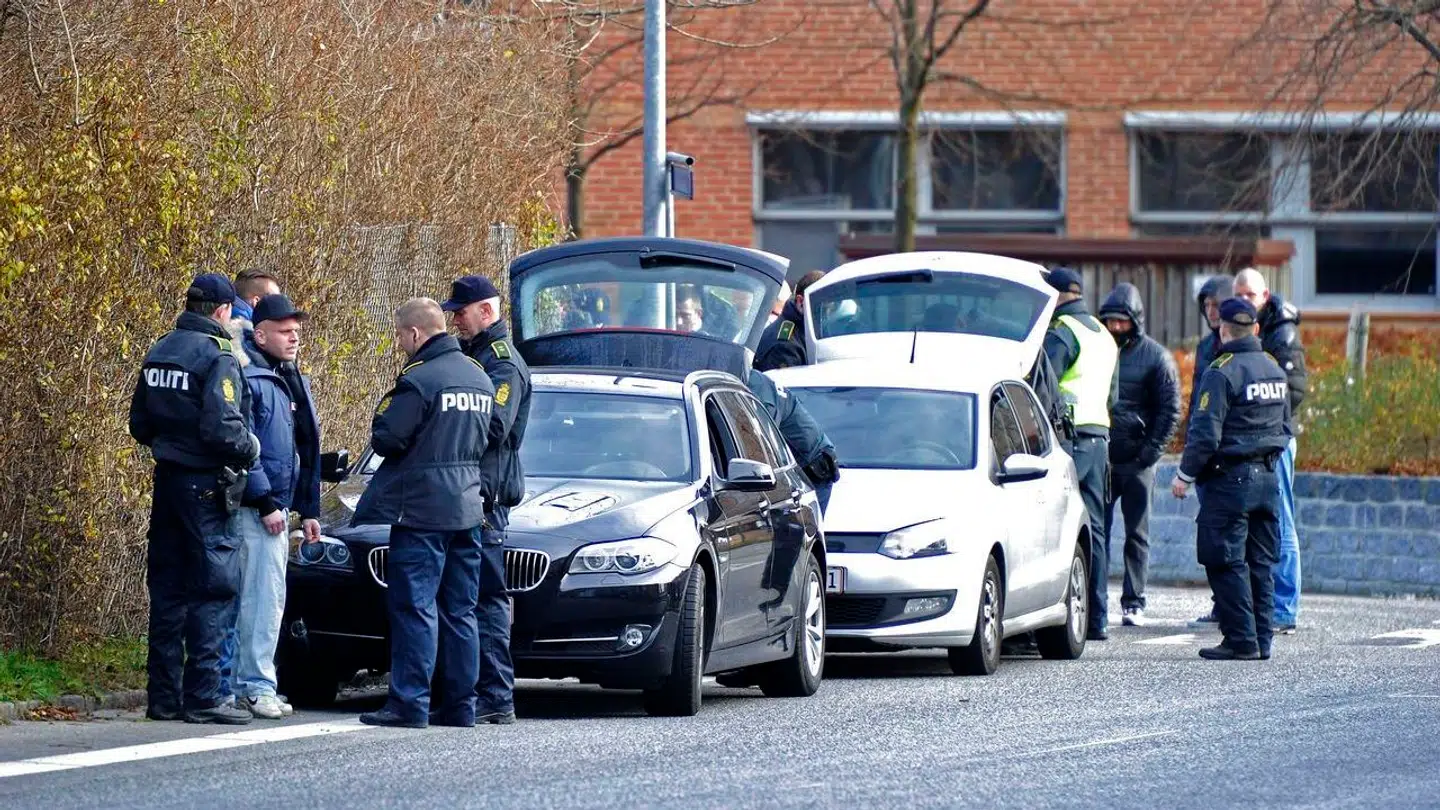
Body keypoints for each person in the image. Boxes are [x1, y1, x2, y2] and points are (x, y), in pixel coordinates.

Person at [354, 298, 495, 728]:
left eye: (400, 336)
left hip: (421, 509)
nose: (399, 344)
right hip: (469, 508)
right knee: (461, 610)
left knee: (415, 606)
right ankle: (460, 706)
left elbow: (388, 438)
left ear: (415, 333)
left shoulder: (420, 379)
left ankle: (409, 704)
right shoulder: (480, 378)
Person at [128, 273, 261, 725]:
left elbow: (140, 425)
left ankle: (163, 697)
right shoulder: (218, 354)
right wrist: (252, 447)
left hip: (166, 482)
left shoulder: (161, 348)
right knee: (213, 587)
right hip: (206, 485)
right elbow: (222, 427)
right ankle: (205, 696)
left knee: (167, 589)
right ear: (224, 311)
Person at [1170, 298, 1290, 660]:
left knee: (1225, 559)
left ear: (1223, 331)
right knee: (1261, 561)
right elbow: (1285, 425)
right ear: (1255, 330)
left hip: (1230, 481)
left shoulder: (1221, 371)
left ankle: (1241, 640)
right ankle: (1262, 640)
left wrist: (1184, 475)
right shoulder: (1273, 369)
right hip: (1269, 478)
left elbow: (1204, 435)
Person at [441, 275, 533, 726]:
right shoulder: (472, 356)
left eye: (461, 311)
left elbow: (495, 425)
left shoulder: (502, 364)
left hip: (486, 494)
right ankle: (468, 690)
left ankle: (495, 694)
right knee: (465, 596)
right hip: (466, 489)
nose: (455, 319)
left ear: (486, 311)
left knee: (485, 599)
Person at [229, 293, 322, 719]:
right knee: (261, 600)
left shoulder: (283, 375)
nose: (294, 338)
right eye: (285, 332)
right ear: (261, 333)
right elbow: (247, 448)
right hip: (259, 510)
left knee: (266, 599)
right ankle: (254, 685)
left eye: (297, 332)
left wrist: (309, 509)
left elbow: (304, 447)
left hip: (277, 507)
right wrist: (266, 500)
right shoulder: (253, 377)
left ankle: (251, 682)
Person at [1041, 267, 1119, 641]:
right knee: (1097, 532)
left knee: (1058, 528)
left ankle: (1056, 618)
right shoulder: (1104, 335)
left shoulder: (1063, 332)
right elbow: (1114, 398)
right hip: (1099, 441)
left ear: (1057, 296)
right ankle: (1097, 620)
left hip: (1069, 442)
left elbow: (1043, 386)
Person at [1097, 283, 1181, 628]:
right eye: (1110, 321)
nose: (1116, 327)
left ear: (1135, 320)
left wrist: (1149, 453)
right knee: (1095, 531)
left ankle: (1134, 601)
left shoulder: (1156, 357)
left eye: (1122, 321)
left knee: (1137, 534)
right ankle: (1093, 598)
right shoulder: (1098, 350)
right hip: (1102, 459)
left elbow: (1170, 410)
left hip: (1137, 461)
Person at [1234, 268, 1307, 635]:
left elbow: (1292, 391)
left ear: (1264, 296)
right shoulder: (1251, 331)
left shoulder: (1283, 332)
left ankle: (1284, 608)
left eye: (1251, 295)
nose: (1246, 301)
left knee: (1283, 522)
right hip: (1258, 440)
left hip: (1276, 439)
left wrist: (1265, 423)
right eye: (1240, 294)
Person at [1187, 275, 1235, 629]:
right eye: (1205, 305)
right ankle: (1221, 603)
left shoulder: (1241, 344)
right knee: (1212, 535)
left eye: (1216, 304)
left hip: (1232, 451)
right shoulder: (1206, 347)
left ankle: (1236, 607)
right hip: (1205, 448)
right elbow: (1196, 399)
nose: (1210, 311)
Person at [754, 270, 825, 371]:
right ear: (801, 302)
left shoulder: (801, 330)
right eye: (823, 307)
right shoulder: (785, 346)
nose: (828, 314)